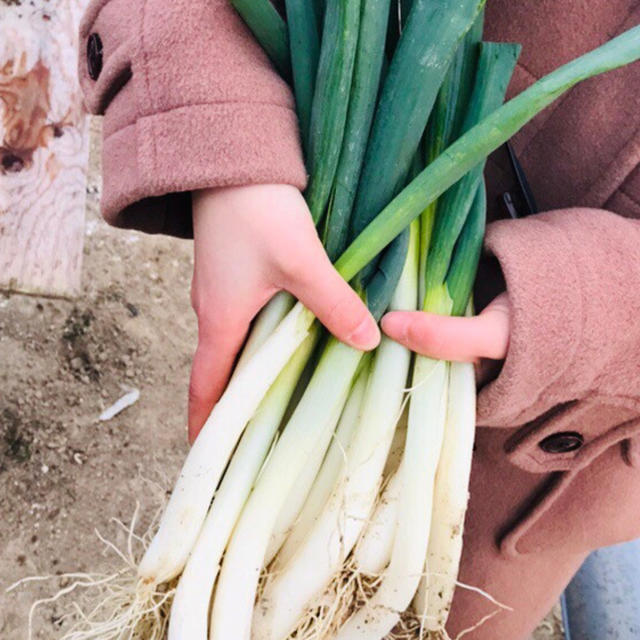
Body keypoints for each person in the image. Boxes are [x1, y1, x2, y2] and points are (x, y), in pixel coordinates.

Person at [77, 0, 640, 637]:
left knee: (449, 611)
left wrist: (588, 315)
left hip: (566, 471)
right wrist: (226, 153)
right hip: (306, 255)